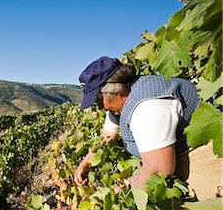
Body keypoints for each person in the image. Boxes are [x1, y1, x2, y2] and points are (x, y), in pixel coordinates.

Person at [74, 56, 222, 200]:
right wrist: (85, 164)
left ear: (116, 92)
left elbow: (158, 169)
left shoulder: (146, 108)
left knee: (207, 207)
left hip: (202, 153)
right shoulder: (121, 101)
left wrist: (122, 191)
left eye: (98, 100)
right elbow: (107, 137)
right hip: (172, 155)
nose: (99, 107)